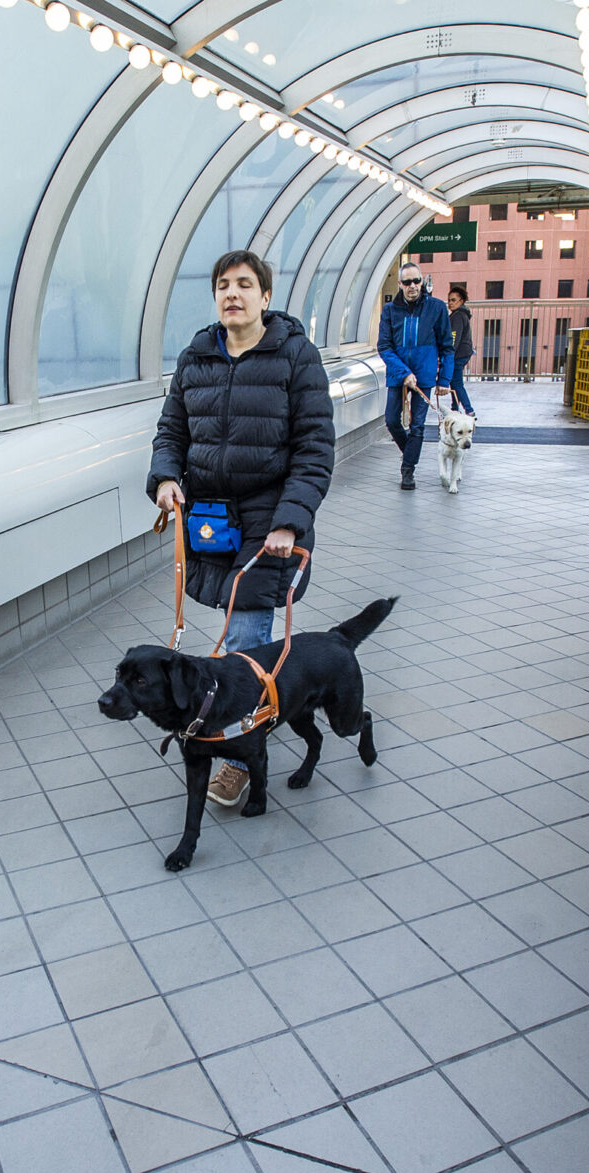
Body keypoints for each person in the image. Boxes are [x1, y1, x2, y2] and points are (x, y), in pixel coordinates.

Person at [149, 250, 336, 808]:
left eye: (244, 285)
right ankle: (254, 720)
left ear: (265, 297)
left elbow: (314, 449)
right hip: (211, 519)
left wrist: (289, 521)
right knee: (236, 633)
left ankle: (237, 758)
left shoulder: (296, 357)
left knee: (246, 638)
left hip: (268, 519)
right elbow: (171, 431)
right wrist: (164, 478)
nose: (232, 294)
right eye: (223, 285)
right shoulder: (196, 357)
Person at [378, 261, 453, 490]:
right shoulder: (390, 311)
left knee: (417, 425)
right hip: (398, 375)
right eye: (407, 282)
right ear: (400, 284)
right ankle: (410, 453)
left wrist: (444, 380)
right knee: (392, 420)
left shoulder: (437, 308)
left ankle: (408, 470)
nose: (413, 286)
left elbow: (447, 347)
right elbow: (384, 346)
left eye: (416, 281)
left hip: (425, 374)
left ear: (423, 282)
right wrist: (403, 373)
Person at [447, 286, 477, 420]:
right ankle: (454, 408)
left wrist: (449, 355)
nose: (450, 303)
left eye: (454, 300)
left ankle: (469, 410)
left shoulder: (458, 316)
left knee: (457, 383)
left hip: (458, 355)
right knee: (454, 382)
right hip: (463, 353)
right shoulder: (461, 314)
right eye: (449, 300)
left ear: (461, 301)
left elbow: (454, 337)